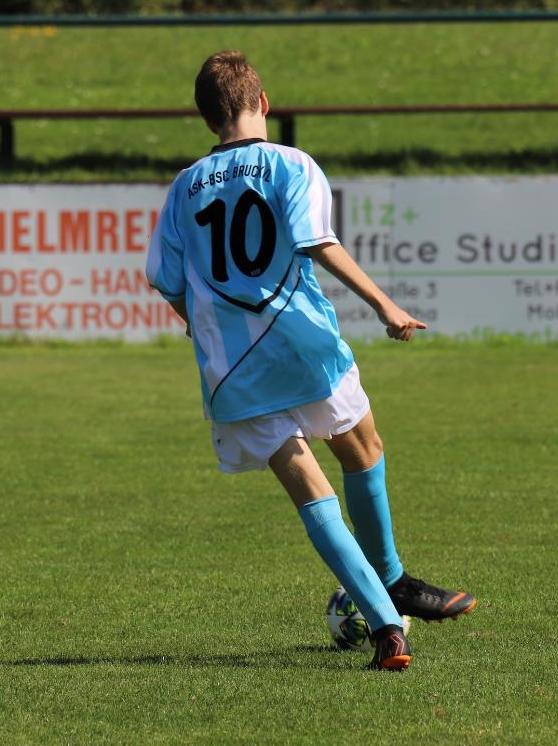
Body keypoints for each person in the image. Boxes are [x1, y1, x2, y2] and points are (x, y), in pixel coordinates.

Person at [146, 50, 476, 671]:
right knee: (363, 448)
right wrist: (384, 304)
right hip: (304, 344)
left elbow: (165, 279)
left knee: (312, 494)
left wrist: (199, 323)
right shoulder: (291, 163)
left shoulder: (185, 187)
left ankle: (388, 624)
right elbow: (316, 240)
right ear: (263, 102)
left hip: (234, 368)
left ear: (207, 118)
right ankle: (391, 579)